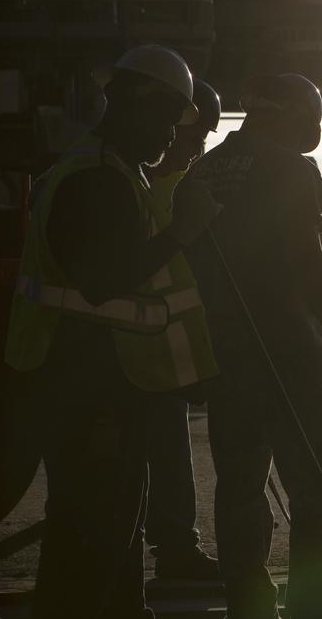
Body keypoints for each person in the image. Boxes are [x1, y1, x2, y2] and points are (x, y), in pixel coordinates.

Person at [5, 45, 222, 618]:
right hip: (86, 385)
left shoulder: (111, 170)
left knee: (113, 522)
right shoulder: (97, 178)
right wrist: (183, 232)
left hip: (101, 382)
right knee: (94, 531)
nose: (168, 139)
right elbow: (105, 282)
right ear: (138, 104)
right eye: (166, 122)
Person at [185, 72, 322, 619]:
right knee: (316, 486)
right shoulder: (292, 169)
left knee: (239, 484)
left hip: (226, 351)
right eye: (311, 117)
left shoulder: (206, 170)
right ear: (285, 114)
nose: (315, 128)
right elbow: (308, 264)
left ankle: (249, 603)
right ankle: (312, 603)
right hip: (288, 346)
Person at [141, 79, 224, 580]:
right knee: (160, 453)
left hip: (161, 347)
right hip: (143, 348)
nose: (199, 149)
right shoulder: (163, 191)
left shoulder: (153, 184)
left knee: (165, 450)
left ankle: (173, 546)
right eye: (196, 138)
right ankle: (174, 548)